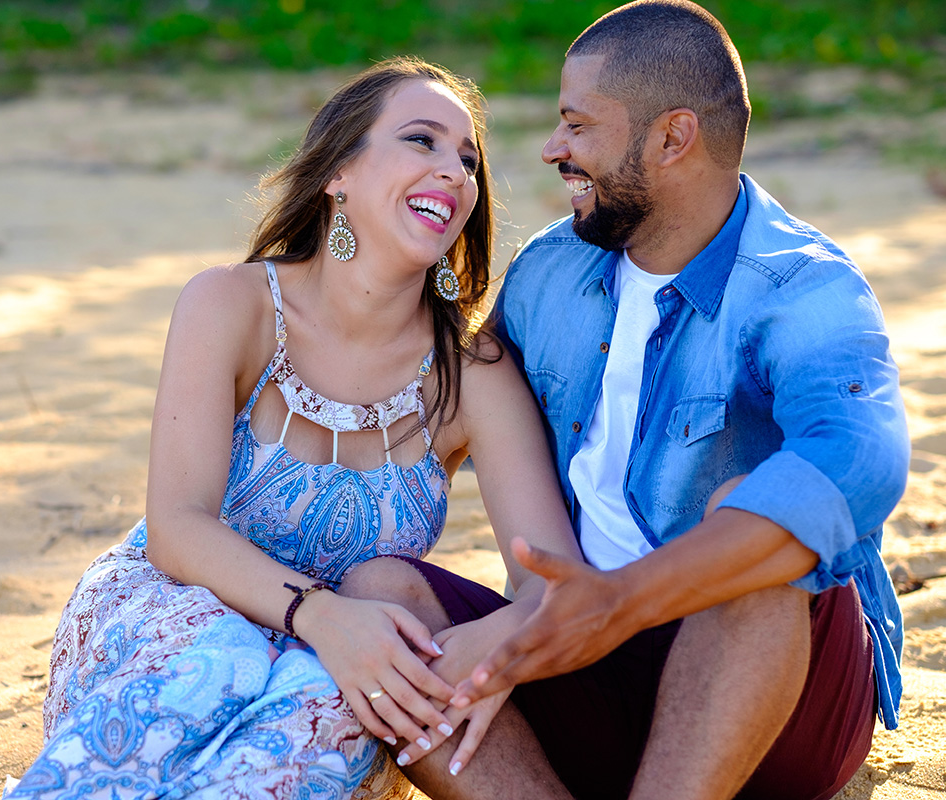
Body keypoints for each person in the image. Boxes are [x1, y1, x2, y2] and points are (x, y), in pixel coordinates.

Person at [341, 3, 910, 799]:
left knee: (748, 518)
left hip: (772, 705)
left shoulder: (800, 288)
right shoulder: (552, 271)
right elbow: (422, 423)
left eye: (577, 126)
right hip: (586, 672)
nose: (551, 150)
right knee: (380, 592)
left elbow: (858, 462)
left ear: (673, 138)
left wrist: (615, 605)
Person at [3, 56, 582, 800]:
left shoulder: (474, 372)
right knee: (219, 662)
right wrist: (321, 614)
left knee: (322, 708)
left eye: (468, 159)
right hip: (179, 611)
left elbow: (553, 584)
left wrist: (486, 651)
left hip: (343, 663)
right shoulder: (231, 306)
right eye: (422, 141)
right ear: (338, 173)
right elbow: (177, 527)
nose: (455, 172)